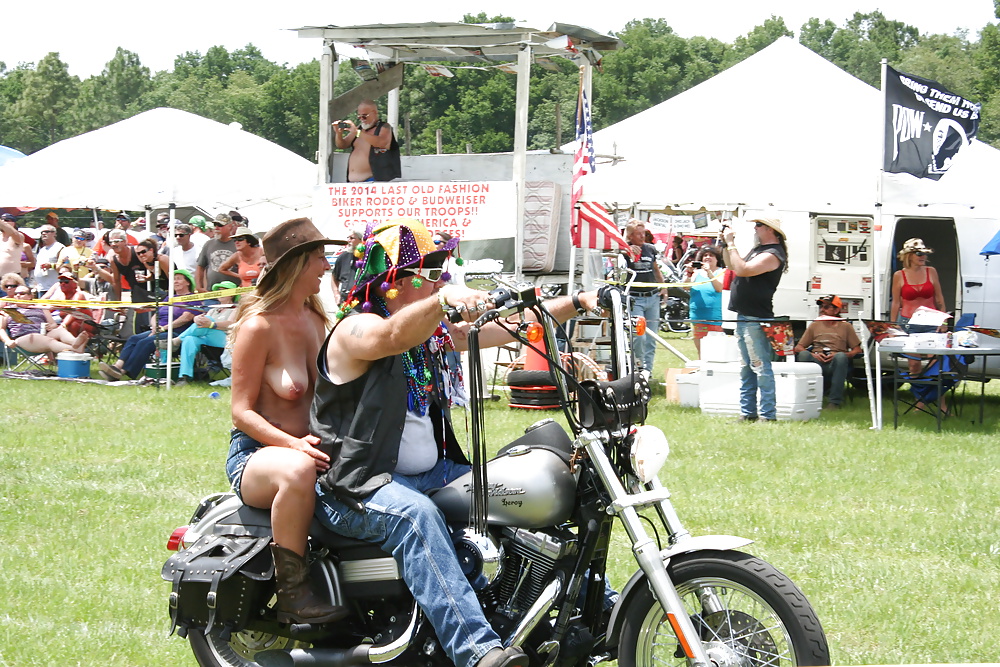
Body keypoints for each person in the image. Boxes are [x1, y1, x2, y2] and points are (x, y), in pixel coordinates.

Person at [311, 218, 603, 667]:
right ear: (391, 281)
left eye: (439, 274)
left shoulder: (428, 334)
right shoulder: (355, 330)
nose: (438, 282)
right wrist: (445, 299)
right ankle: (479, 652)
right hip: (357, 482)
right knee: (416, 518)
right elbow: (390, 337)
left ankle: (602, 607)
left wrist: (579, 301)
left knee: (521, 490)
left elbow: (511, 327)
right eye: (427, 275)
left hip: (432, 472)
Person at [225, 217, 349, 625]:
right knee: (297, 470)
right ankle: (293, 595)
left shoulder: (317, 322)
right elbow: (241, 412)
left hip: (313, 451)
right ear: (296, 264)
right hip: (259, 456)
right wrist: (293, 445)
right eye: (319, 258)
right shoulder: (257, 326)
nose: (327, 267)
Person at [722, 216, 788, 422]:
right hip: (744, 315)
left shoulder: (773, 253)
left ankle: (768, 414)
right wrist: (726, 245)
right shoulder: (759, 249)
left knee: (760, 366)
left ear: (771, 230)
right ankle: (748, 412)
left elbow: (743, 269)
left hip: (756, 316)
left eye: (759, 225)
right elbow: (731, 265)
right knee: (746, 367)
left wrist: (732, 243)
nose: (755, 228)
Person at [98, 270, 202, 381]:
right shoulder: (169, 298)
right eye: (174, 279)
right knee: (134, 338)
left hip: (176, 333)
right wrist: (154, 327)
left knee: (145, 342)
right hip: (158, 330)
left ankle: (123, 372)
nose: (175, 281)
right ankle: (117, 366)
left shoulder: (193, 299)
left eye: (179, 278)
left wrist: (163, 328)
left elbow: (185, 318)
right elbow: (155, 315)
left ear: (188, 282)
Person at [793, 295, 862, 411]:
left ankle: (834, 402)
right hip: (816, 360)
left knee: (840, 357)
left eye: (826, 307)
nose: (822, 310)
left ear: (836, 310)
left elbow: (857, 350)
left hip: (835, 361)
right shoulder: (815, 324)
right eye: (821, 307)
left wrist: (844, 355)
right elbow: (799, 347)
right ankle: (803, 399)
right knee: (803, 354)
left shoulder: (846, 326)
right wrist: (814, 355)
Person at [0, 283, 94, 362]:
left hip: (42, 334)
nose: (18, 296)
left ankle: (75, 342)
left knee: (60, 330)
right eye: (16, 294)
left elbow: (52, 324)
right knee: (46, 340)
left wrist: (51, 326)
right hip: (22, 338)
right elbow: (1, 329)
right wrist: (7, 341)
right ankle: (75, 348)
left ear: (30, 296)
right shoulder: (9, 310)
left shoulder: (40, 308)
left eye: (22, 293)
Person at [175, 280, 239, 385]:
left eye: (224, 291)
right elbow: (202, 323)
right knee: (189, 339)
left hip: (226, 339)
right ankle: (184, 376)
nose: (221, 293)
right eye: (219, 290)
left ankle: (177, 340)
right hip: (208, 339)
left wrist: (211, 324)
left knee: (207, 320)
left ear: (232, 294)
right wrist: (196, 318)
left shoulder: (235, 309)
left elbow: (230, 324)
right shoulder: (213, 309)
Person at [623, 219, 664, 374]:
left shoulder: (650, 249)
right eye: (637, 234)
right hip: (635, 298)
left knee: (651, 337)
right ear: (630, 236)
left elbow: (655, 269)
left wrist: (663, 287)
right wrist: (625, 249)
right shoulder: (624, 251)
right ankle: (637, 367)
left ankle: (648, 371)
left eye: (643, 233)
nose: (641, 237)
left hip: (652, 296)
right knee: (639, 335)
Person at [333, 100, 401, 182]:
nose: (362, 119)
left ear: (374, 113)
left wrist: (357, 133)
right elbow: (342, 145)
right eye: (359, 117)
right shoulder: (359, 129)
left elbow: (382, 143)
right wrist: (338, 134)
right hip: (353, 184)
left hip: (373, 181)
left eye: (364, 116)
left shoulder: (384, 127)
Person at [684, 246, 725, 357]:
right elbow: (686, 287)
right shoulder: (697, 273)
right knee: (701, 351)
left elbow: (719, 288)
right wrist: (689, 273)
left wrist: (709, 273)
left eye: (711, 255)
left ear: (717, 259)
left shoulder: (722, 272)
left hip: (715, 317)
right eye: (705, 255)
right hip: (698, 316)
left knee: (716, 351)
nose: (707, 257)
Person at [196, 213, 237, 292]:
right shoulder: (208, 244)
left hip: (232, 293)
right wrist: (199, 286)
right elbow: (200, 266)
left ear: (230, 226)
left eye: (220, 225)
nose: (217, 228)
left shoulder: (237, 243)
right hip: (211, 293)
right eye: (215, 225)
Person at [330, 230, 362, 304]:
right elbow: (334, 276)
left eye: (352, 238)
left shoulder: (368, 258)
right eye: (348, 238)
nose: (348, 240)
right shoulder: (343, 257)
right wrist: (336, 294)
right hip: (344, 303)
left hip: (363, 304)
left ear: (361, 240)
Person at [32, 224, 66, 294]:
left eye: (47, 231)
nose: (44, 234)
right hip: (41, 287)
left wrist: (51, 265)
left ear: (54, 233)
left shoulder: (60, 248)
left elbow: (65, 266)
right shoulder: (42, 249)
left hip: (54, 288)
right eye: (42, 232)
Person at [0, 213, 24, 278]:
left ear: (13, 223)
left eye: (6, 220)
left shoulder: (19, 236)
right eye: (2, 219)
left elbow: (13, 233)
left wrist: (2, 223)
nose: (4, 222)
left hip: (12, 277)